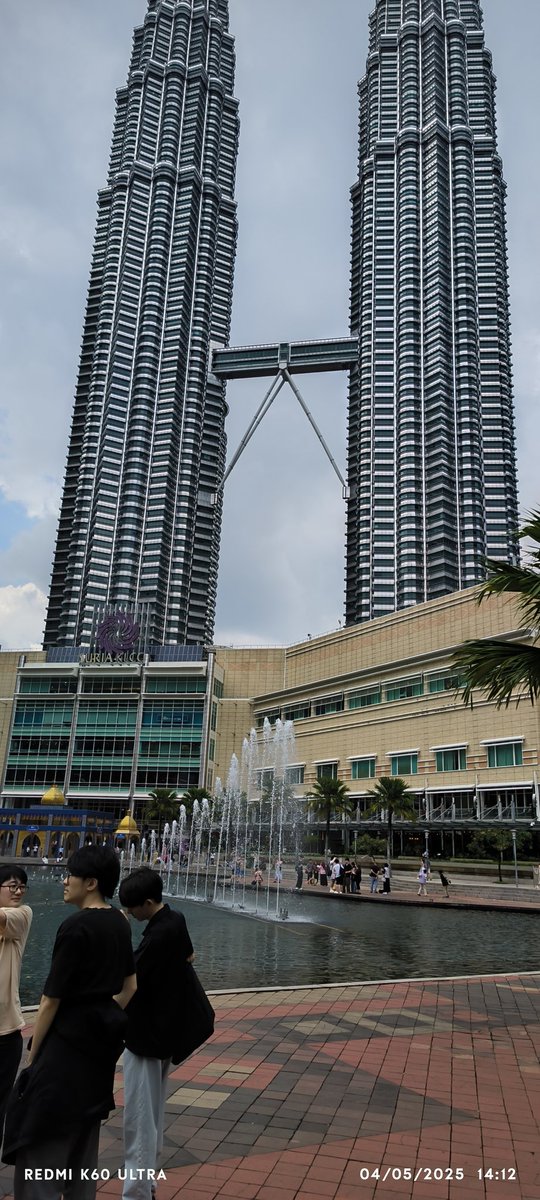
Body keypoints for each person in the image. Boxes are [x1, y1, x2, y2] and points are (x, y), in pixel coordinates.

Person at [2, 845, 136, 1200]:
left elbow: (49, 1001)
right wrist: (99, 1016)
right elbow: (130, 986)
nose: (64, 881)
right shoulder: (119, 922)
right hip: (97, 1055)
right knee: (82, 1150)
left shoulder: (75, 926)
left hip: (63, 1054)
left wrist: (33, 1055)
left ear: (90, 882)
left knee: (40, 1149)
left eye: (70, 875)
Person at [118, 868, 195, 1200]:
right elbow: (190, 956)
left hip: (146, 1037)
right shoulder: (175, 918)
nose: (132, 914)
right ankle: (146, 1184)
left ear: (148, 902)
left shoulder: (158, 935)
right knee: (152, 1113)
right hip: (164, 1032)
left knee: (138, 1117)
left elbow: (130, 979)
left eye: (134, 908)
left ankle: (136, 1192)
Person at [0, 866, 32, 1142]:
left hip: (5, 1033)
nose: (19, 891)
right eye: (12, 886)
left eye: (22, 886)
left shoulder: (22, 915)